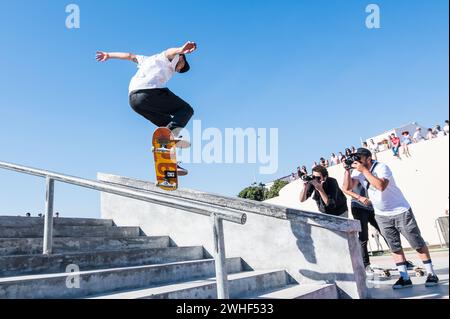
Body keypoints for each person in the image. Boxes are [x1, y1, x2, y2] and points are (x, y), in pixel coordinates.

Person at [96, 41, 197, 175]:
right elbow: (169, 52)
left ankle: (170, 161)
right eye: (181, 67)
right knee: (186, 110)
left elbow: (129, 56)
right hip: (149, 93)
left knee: (167, 128)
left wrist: (109, 55)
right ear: (181, 57)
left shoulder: (146, 60)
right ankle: (166, 141)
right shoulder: (170, 57)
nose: (178, 70)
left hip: (134, 101)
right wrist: (181, 49)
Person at [343, 148, 439, 289]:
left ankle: (431, 273)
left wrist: (364, 171)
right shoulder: (359, 171)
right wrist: (347, 170)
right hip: (382, 215)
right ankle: (404, 278)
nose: (357, 160)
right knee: (394, 247)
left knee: (416, 243)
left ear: (368, 158)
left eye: (359, 157)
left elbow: (380, 186)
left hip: (400, 210)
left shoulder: (382, 167)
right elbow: (346, 187)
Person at [342, 164, 382, 274]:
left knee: (385, 231)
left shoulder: (373, 170)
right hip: (359, 206)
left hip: (373, 206)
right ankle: (366, 265)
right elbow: (346, 188)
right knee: (363, 237)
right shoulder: (355, 172)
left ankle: (401, 260)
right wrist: (347, 171)